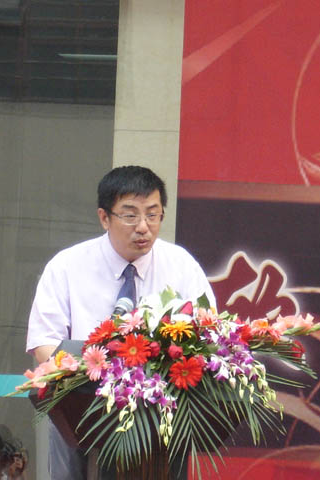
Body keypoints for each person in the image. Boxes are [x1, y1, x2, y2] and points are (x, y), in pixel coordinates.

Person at [26, 165, 216, 479]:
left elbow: (207, 336)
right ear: (104, 217)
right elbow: (44, 344)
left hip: (160, 419)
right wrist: (95, 374)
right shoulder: (67, 266)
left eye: (153, 215)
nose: (143, 227)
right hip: (81, 413)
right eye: (130, 215)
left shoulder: (181, 265)